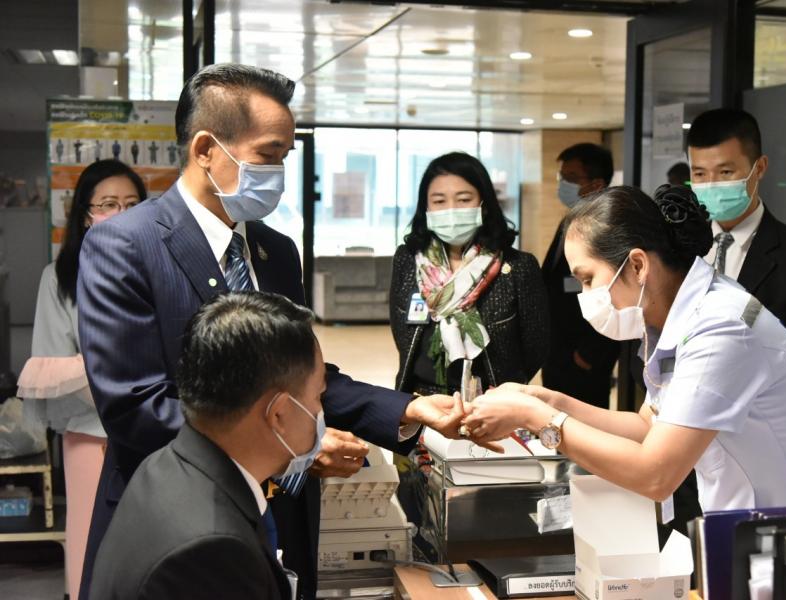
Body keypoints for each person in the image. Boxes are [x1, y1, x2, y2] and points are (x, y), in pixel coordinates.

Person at [76, 63, 466, 600]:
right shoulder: (125, 246)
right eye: (268, 154)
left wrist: (407, 409)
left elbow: (304, 375)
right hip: (181, 522)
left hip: (281, 518)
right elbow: (135, 406)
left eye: (285, 156)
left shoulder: (274, 250)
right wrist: (295, 452)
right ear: (206, 149)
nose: (279, 172)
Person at [463, 184, 786, 513]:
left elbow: (655, 474)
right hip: (756, 531)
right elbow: (647, 427)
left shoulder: (720, 328)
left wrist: (537, 418)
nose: (585, 295)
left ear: (638, 266)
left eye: (588, 279)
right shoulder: (675, 317)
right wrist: (545, 400)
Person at [90, 292, 331, 600]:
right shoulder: (213, 550)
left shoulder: (164, 466)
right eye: (318, 396)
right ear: (279, 414)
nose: (319, 412)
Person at [16, 159, 146, 600]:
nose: (121, 213)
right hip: (92, 434)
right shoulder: (59, 278)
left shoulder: (157, 268)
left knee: (149, 544)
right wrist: (120, 378)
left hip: (156, 433)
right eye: (108, 204)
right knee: (93, 543)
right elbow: (51, 370)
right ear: (85, 215)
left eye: (132, 204)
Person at [687, 108, 786, 438]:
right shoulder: (679, 252)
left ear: (759, 168)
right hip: (682, 438)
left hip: (766, 441)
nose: (711, 185)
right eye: (700, 174)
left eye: (726, 172)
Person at [389, 152, 549, 396]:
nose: (451, 210)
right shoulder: (408, 260)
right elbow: (401, 333)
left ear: (484, 205)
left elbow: (536, 346)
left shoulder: (519, 267)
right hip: (421, 399)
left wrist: (504, 390)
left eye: (464, 199)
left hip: (493, 401)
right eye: (439, 201)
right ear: (426, 208)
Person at [541, 143, 620, 408]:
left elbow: (617, 294)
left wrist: (590, 354)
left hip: (585, 358)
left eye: (572, 178)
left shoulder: (607, 229)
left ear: (596, 184)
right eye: (562, 176)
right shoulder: (571, 221)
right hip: (557, 352)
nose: (563, 184)